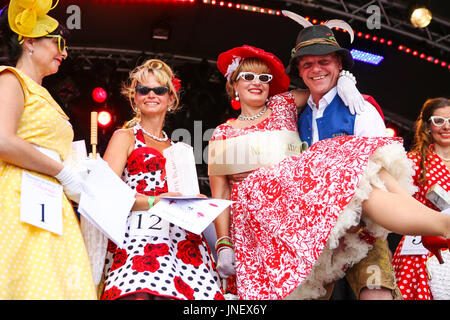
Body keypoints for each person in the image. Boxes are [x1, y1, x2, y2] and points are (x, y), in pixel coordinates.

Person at [208, 45, 450, 300]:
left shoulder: (283, 105)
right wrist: (224, 243)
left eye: (264, 77)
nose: (257, 82)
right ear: (233, 84)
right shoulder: (223, 133)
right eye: (248, 76)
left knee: (351, 158)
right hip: (262, 228)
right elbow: (221, 193)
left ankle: (439, 223)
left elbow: (321, 86)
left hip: (304, 209)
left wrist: (345, 80)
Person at [285, 11, 399, 300]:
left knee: (377, 295)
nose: (316, 69)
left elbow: (381, 169)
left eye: (324, 61)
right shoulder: (297, 115)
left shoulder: (360, 107)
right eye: (308, 63)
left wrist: (369, 224)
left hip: (364, 230)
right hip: (318, 238)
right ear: (299, 70)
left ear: (338, 64)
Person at [100, 59, 224, 300]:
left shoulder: (180, 149)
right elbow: (107, 194)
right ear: (134, 97)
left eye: (159, 90)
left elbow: (183, 198)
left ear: (171, 98)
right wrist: (155, 201)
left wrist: (195, 202)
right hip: (137, 236)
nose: (151, 95)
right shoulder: (124, 136)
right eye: (143, 90)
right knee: (139, 294)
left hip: (180, 240)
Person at [0, 1, 97, 299]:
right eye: (59, 43)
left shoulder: (46, 96)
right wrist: (62, 171)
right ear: (29, 42)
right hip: (18, 198)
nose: (64, 53)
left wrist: (82, 174)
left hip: (51, 205)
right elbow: (3, 140)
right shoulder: (10, 79)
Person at [392, 97, 450, 300]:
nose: (446, 126)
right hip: (418, 248)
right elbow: (397, 206)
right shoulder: (414, 161)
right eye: (439, 121)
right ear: (427, 125)